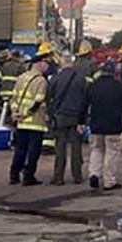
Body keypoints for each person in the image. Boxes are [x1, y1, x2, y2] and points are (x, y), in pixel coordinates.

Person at [85, 59, 122, 191]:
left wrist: (81, 121)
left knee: (96, 150)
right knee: (112, 153)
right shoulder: (119, 86)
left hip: (96, 125)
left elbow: (85, 104)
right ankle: (109, 181)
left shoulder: (93, 85)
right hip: (113, 125)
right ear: (114, 72)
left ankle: (94, 174)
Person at [47, 56, 90, 185]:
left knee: (60, 148)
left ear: (61, 64)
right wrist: (83, 119)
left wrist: (51, 115)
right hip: (77, 117)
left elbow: (49, 98)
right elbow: (85, 100)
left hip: (60, 116)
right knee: (76, 148)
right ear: (73, 64)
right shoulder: (81, 79)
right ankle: (77, 176)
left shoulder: (55, 78)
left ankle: (58, 177)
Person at [9, 54, 50, 186]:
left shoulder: (21, 78)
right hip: (35, 122)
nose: (47, 66)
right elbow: (38, 101)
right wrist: (26, 114)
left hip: (21, 123)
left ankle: (14, 175)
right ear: (39, 64)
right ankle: (28, 176)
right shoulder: (41, 81)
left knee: (20, 149)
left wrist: (15, 113)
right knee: (33, 151)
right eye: (46, 63)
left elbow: (14, 98)